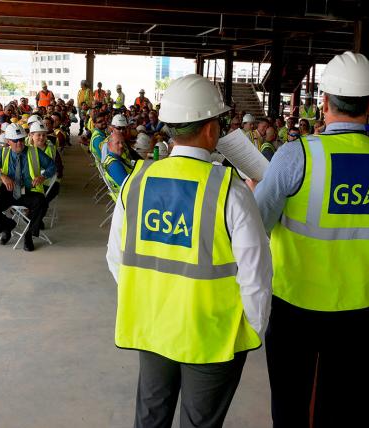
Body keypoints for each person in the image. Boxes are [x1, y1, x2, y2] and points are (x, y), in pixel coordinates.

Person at [107, 74, 272, 428]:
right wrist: (250, 333)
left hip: (152, 327)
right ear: (211, 129)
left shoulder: (135, 181)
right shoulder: (231, 191)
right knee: (200, 422)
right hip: (211, 336)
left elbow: (116, 259)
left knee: (150, 417)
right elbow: (256, 276)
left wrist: (152, 299)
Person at [253, 51, 369, 427]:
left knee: (290, 400)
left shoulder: (295, 156)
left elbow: (257, 224)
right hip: (361, 304)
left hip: (296, 302)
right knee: (341, 402)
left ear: (323, 101)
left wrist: (257, 191)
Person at [0, 123, 55, 252]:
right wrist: (1, 176)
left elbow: (52, 166)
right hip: (8, 190)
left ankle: (29, 235)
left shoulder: (34, 151)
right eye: (15, 141)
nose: (19, 143)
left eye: (21, 140)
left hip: (30, 190)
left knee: (42, 203)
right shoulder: (2, 153)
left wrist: (43, 176)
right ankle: (6, 226)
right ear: (8, 141)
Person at [28, 121, 63, 227]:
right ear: (31, 135)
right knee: (38, 199)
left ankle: (33, 219)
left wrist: (51, 174)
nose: (42, 137)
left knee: (44, 198)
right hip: (31, 182)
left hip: (50, 182)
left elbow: (59, 167)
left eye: (44, 135)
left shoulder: (52, 149)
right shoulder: (26, 149)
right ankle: (36, 220)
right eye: (38, 135)